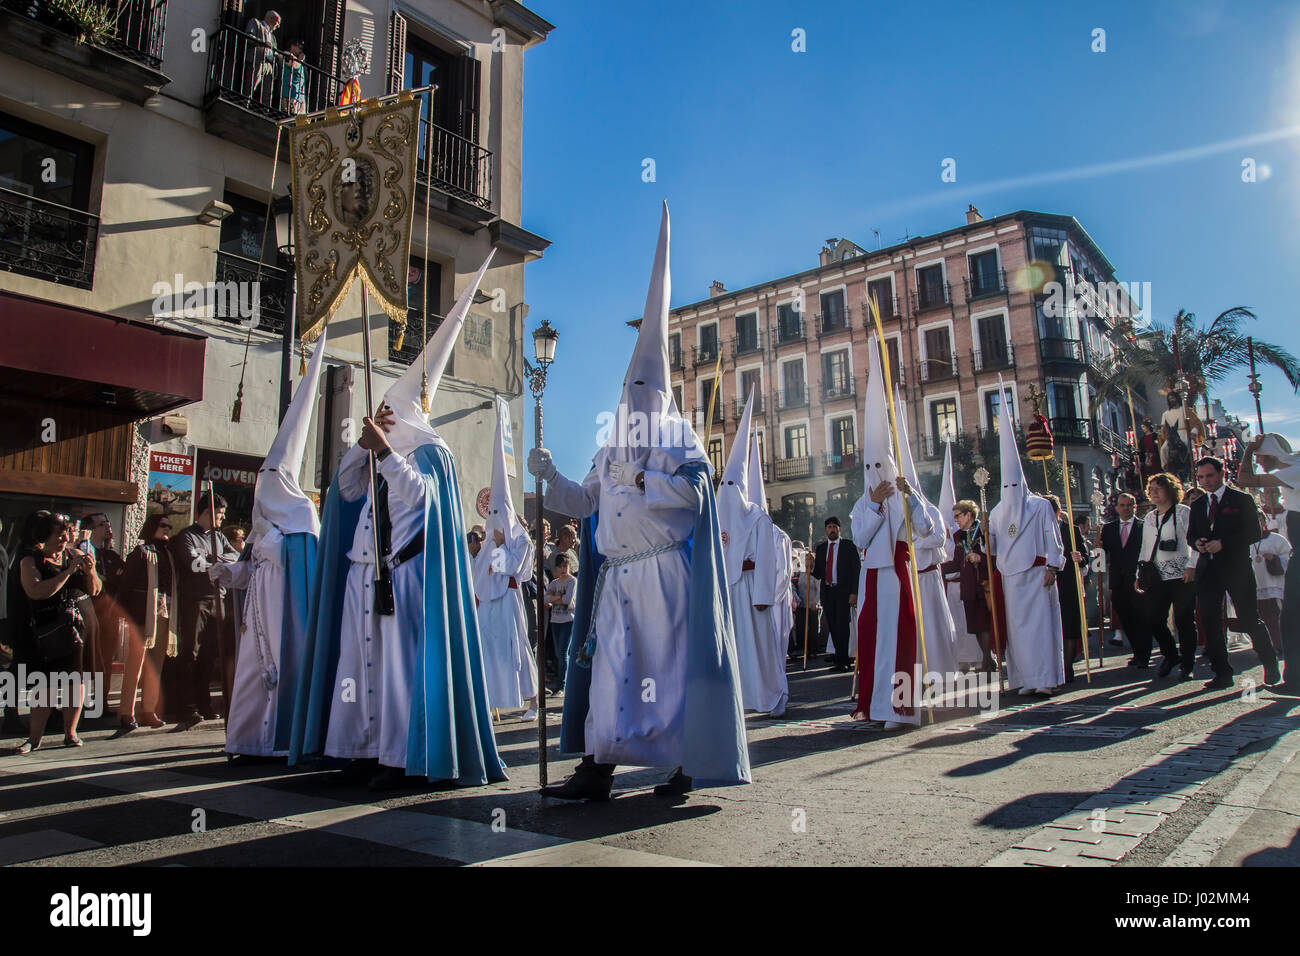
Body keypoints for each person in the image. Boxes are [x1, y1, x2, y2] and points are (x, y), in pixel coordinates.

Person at [529, 203, 750, 800]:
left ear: (661, 393)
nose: (635, 396)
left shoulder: (677, 437)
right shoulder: (609, 445)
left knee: (667, 673)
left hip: (665, 577)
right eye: (630, 387)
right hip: (617, 579)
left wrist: (648, 481)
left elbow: (697, 493)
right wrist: (550, 478)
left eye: (645, 388)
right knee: (610, 672)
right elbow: (584, 502)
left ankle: (685, 763)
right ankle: (597, 766)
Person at [291, 253, 504, 791]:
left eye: (391, 409)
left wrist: (386, 452)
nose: (384, 414)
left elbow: (423, 498)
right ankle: (358, 747)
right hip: (365, 571)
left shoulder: (431, 453)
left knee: (395, 669)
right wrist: (359, 452)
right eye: (382, 409)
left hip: (407, 576)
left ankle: (399, 755)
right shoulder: (378, 455)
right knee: (356, 666)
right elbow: (345, 493)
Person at [214, 331, 328, 760]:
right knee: (249, 675)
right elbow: (255, 566)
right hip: (257, 616)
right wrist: (231, 572)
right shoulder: (264, 528)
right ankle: (245, 740)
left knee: (284, 674)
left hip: (287, 622)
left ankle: (281, 742)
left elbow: (301, 567)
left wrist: (268, 550)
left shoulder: (301, 518)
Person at [848, 338, 929, 728]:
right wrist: (876, 505)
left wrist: (908, 499)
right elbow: (859, 538)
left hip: (896, 578)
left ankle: (900, 710)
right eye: (869, 467)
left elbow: (927, 528)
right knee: (873, 644)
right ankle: (873, 705)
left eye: (880, 466)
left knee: (897, 642)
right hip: (870, 580)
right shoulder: (864, 502)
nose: (875, 474)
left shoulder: (904, 495)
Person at [988, 377, 1065, 696]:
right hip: (1010, 577)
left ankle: (1045, 679)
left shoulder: (1040, 506)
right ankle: (1022, 679)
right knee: (1017, 632)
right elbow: (992, 544)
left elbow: (1053, 539)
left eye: (1014, 486)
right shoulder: (995, 511)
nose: (1010, 492)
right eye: (1006, 487)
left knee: (1040, 630)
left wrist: (1053, 567)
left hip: (1037, 574)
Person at [717, 393, 786, 717]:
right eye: (724, 484)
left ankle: (772, 695)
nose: (728, 490)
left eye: (734, 484)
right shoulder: (716, 516)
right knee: (737, 650)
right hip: (728, 593)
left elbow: (767, 560)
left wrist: (763, 595)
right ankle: (742, 698)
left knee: (760, 648)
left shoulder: (758, 518)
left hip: (749, 589)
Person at [1187, 455, 1281, 690]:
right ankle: (1222, 673)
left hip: (1236, 567)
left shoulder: (1241, 499)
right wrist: (1197, 542)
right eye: (1201, 477)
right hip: (1208, 569)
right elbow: (1191, 534)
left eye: (1209, 476)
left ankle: (1269, 663)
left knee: (1249, 618)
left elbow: (1254, 533)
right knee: (1210, 620)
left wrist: (1224, 543)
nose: (1206, 481)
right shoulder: (1198, 505)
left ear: (1221, 475)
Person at [8, 512, 98, 752]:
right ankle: (34, 739)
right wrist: (67, 573)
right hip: (45, 630)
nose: (65, 538)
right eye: (59, 534)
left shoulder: (75, 554)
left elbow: (96, 589)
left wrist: (90, 571)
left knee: (74, 682)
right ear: (43, 537)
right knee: (45, 684)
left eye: (67, 533)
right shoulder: (31, 559)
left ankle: (70, 733)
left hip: (75, 628)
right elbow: (36, 590)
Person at [474, 400, 539, 722]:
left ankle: (533, 701)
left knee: (517, 649)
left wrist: (500, 548)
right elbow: (478, 571)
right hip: (488, 603)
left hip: (509, 599)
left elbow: (514, 569)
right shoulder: (489, 538)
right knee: (490, 651)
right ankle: (491, 699)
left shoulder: (520, 538)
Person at [892, 390, 959, 681]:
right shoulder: (895, 510)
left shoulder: (929, 508)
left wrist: (914, 541)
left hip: (928, 578)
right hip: (908, 579)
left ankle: (940, 672)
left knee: (932, 627)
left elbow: (938, 538)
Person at [170, 493, 239, 727]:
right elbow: (193, 563)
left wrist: (213, 558)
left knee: (209, 656)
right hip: (195, 601)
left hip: (217, 599)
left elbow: (235, 557)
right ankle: (185, 707)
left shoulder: (219, 537)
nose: (223, 517)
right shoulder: (186, 536)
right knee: (191, 653)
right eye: (219, 514)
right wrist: (215, 562)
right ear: (207, 512)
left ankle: (204, 704)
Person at [1237, 434, 1300, 691]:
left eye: (1260, 456)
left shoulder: (1295, 470)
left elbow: (1245, 479)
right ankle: (1295, 678)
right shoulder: (1293, 470)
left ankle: (1295, 680)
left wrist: (1248, 449)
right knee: (1291, 616)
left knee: (1292, 616)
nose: (1258, 461)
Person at [115, 515, 177, 733]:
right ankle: (126, 712)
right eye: (163, 525)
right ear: (152, 527)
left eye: (169, 526)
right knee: (136, 665)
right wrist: (124, 614)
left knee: (155, 665)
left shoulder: (169, 554)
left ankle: (148, 709)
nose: (167, 529)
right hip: (142, 614)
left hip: (164, 614)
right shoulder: (141, 553)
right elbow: (126, 585)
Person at [1133, 472, 1196, 680]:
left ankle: (1187, 664)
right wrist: (1139, 572)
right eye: (1151, 489)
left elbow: (1193, 542)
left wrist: (1192, 566)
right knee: (1153, 617)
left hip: (1181, 573)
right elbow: (1145, 547)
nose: (1154, 493)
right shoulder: (1150, 517)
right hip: (1156, 574)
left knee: (1184, 620)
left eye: (1158, 488)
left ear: (1170, 490)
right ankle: (1170, 654)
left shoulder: (1183, 512)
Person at [1099, 493, 1151, 667]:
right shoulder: (1108, 528)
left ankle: (1144, 655)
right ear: (1117, 508)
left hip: (1137, 579)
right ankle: (1137, 652)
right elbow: (1103, 554)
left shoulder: (1143, 526)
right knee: (1126, 619)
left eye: (1129, 505)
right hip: (1117, 581)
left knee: (1141, 619)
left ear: (1134, 507)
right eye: (1122, 505)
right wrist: (1097, 549)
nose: (1126, 508)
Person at [943, 500, 996, 672]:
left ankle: (988, 661)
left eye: (958, 516)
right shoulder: (959, 536)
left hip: (982, 583)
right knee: (975, 627)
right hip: (968, 586)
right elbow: (957, 563)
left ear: (969, 515)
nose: (956, 519)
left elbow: (996, 556)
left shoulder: (984, 531)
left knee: (985, 625)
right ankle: (987, 660)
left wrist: (981, 559)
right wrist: (936, 568)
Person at [1046, 495, 1090, 682]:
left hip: (1068, 583)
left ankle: (1067, 665)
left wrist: (1080, 558)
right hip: (1047, 583)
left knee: (1070, 626)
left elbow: (1085, 556)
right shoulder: (1038, 530)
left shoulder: (1071, 531)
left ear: (1057, 512)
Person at [813, 516, 859, 673]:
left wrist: (854, 593)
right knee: (832, 626)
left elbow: (856, 571)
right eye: (829, 527)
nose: (832, 529)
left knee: (842, 627)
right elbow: (818, 573)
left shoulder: (848, 546)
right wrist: (810, 566)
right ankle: (838, 659)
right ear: (825, 530)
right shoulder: (821, 548)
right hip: (827, 592)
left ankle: (845, 660)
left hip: (843, 592)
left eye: (834, 527)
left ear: (840, 529)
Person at [1250, 513, 1290, 654]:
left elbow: (1289, 557)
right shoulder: (1244, 540)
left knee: (1275, 616)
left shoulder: (1276, 539)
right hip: (1256, 585)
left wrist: (1274, 558)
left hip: (1275, 584)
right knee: (1261, 617)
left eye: (1259, 519)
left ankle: (1280, 645)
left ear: (1263, 521)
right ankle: (1265, 647)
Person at [545, 553, 576, 694]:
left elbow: (567, 599)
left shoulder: (572, 581)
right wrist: (557, 598)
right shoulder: (553, 583)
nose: (563, 569)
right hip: (555, 620)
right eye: (560, 566)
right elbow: (545, 599)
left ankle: (562, 684)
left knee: (563, 652)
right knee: (559, 653)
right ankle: (563, 681)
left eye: (565, 566)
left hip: (567, 619)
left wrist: (554, 599)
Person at [244, 9, 280, 106]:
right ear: (272, 19)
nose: (278, 26)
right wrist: (263, 43)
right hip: (257, 60)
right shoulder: (256, 23)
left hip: (269, 65)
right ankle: (245, 104)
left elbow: (275, 51)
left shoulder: (273, 37)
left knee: (268, 92)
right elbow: (248, 37)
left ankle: (265, 110)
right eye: (278, 23)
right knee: (251, 84)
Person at [280, 39, 307, 115]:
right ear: (292, 46)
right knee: (289, 116)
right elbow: (294, 67)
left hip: (299, 96)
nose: (301, 50)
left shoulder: (299, 61)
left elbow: (306, 76)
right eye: (299, 48)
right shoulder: (287, 55)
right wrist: (300, 60)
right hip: (290, 94)